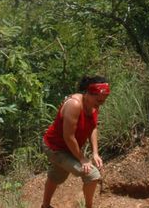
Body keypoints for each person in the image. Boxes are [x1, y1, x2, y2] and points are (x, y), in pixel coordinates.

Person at [41, 75, 110, 208]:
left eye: (103, 100)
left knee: (57, 175)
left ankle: (45, 205)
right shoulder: (74, 104)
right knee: (92, 175)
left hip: (69, 148)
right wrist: (82, 159)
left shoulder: (93, 105)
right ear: (88, 93)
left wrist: (95, 153)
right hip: (55, 148)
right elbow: (69, 136)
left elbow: (93, 127)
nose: (101, 102)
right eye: (98, 99)